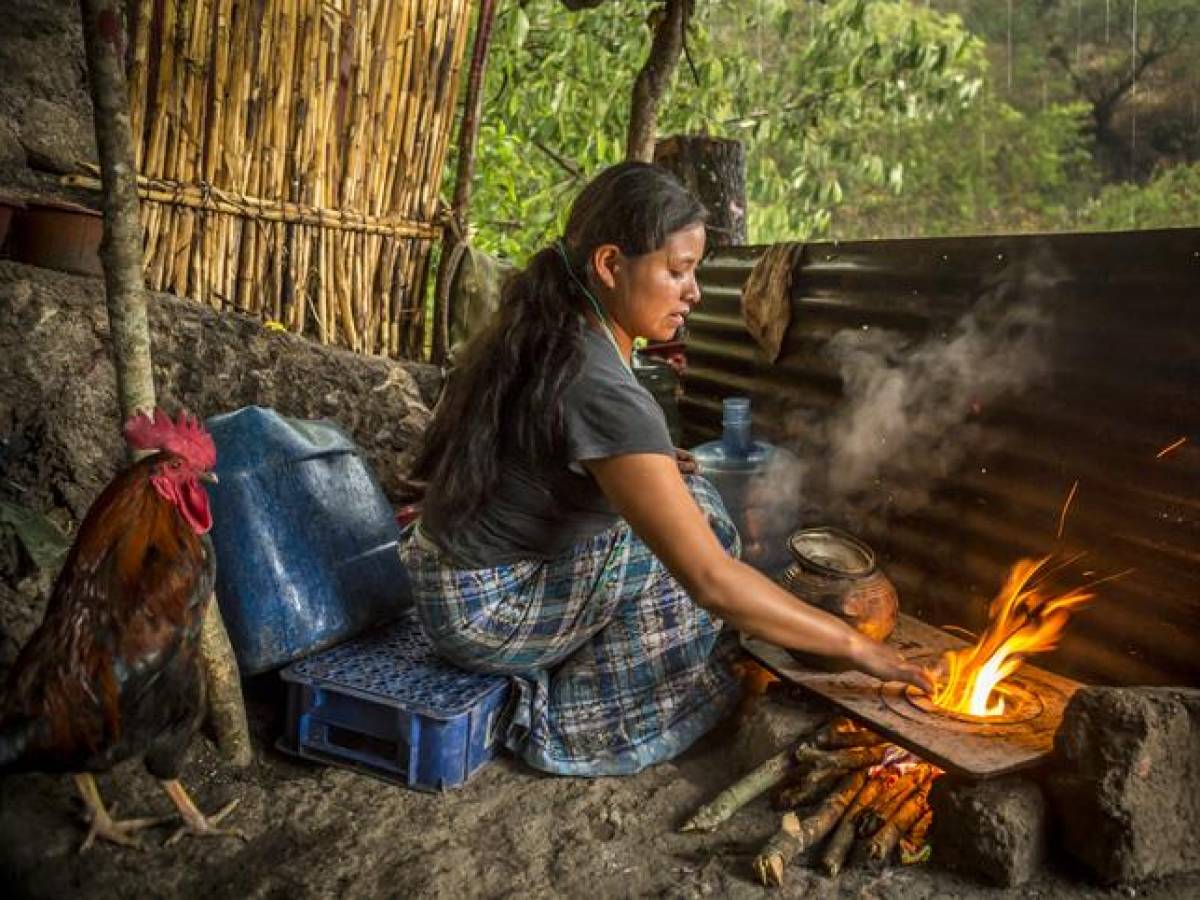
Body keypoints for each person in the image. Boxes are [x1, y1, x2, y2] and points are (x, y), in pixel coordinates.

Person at [400, 162, 930, 776]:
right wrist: (856, 646)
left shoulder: (555, 331)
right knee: (694, 550)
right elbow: (711, 580)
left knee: (692, 501)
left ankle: (582, 662)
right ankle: (575, 723)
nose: (695, 291)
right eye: (677, 271)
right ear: (609, 265)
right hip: (484, 615)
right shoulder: (598, 381)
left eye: (695, 271)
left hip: (447, 579)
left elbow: (543, 458)